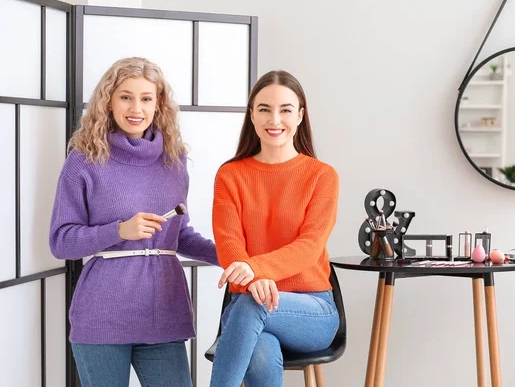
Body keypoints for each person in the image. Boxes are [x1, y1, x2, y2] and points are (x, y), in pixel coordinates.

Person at [49, 57, 217, 387]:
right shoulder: (84, 158)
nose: (135, 108)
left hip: (163, 311)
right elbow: (61, 240)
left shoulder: (174, 159)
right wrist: (119, 231)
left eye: (146, 98)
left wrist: (233, 255)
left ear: (159, 105)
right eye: (125, 96)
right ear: (108, 101)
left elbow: (179, 234)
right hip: (102, 315)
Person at [209, 70, 340, 387]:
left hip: (312, 310)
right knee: (260, 351)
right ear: (252, 115)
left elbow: (309, 248)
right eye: (264, 109)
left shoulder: (321, 176)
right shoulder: (230, 175)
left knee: (254, 304)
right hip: (248, 307)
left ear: (300, 115)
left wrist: (255, 270)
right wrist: (256, 278)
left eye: (285, 109)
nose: (274, 119)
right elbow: (229, 246)